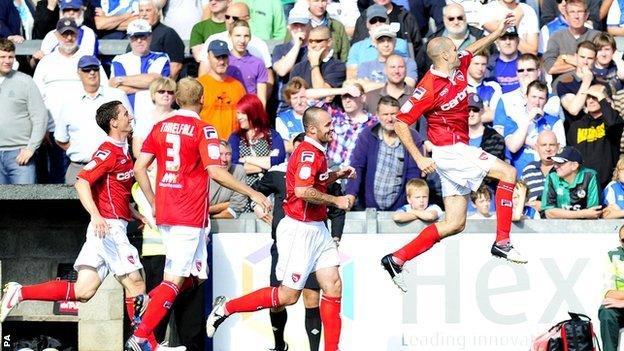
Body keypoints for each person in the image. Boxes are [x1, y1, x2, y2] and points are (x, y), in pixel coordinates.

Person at [380, 14, 527, 294]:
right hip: (450, 151)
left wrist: (498, 31)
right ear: (446, 55)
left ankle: (397, 259)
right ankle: (503, 242)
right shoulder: (428, 87)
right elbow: (400, 122)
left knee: (455, 223)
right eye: (455, 50)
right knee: (508, 173)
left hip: (457, 151)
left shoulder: (459, 66)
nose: (461, 52)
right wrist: (420, 158)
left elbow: (475, 47)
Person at [125, 77, 271, 351]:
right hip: (188, 214)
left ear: (178, 100)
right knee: (176, 278)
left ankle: (149, 301)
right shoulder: (204, 129)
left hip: (167, 212)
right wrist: (252, 193)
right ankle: (141, 336)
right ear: (202, 101)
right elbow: (216, 171)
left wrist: (154, 201)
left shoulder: (159, 126)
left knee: (195, 276)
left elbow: (140, 167)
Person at [205, 107, 357, 351]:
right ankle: (225, 308)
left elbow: (312, 182)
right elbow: (302, 191)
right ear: (312, 129)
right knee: (287, 296)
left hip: (318, 228)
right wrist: (336, 201)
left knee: (333, 284)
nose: (332, 128)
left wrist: (336, 175)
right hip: (299, 230)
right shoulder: (308, 153)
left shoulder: (317, 151)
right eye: (328, 125)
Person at [0, 101, 151, 344]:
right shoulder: (108, 151)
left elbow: (112, 190)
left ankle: (20, 292)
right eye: (124, 113)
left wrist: (132, 211)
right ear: (114, 122)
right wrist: (96, 215)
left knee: (84, 291)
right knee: (136, 284)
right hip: (108, 229)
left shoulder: (124, 150)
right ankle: (147, 345)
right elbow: (82, 182)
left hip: (112, 224)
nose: (129, 116)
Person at [251, 132, 346, 351]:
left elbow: (337, 210)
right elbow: (256, 192)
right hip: (284, 241)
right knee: (280, 298)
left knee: (312, 297)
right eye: (299, 148)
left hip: (313, 241)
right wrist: (257, 205)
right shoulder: (277, 172)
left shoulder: (323, 174)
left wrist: (335, 237)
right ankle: (278, 344)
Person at [55, 55, 131, 184]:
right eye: (86, 69)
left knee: (116, 204)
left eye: (95, 68)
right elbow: (60, 138)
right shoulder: (69, 101)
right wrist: (81, 151)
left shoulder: (117, 95)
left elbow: (131, 128)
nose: (91, 73)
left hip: (113, 168)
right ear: (78, 72)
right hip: (80, 167)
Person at [346, 96, 423, 211]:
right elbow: (357, 166)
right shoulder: (367, 135)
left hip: (402, 208)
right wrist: (350, 195)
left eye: (393, 114)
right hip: (369, 206)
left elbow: (413, 174)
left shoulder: (413, 137)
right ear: (377, 115)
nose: (390, 119)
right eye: (385, 114)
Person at [0, 38, 47, 184]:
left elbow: (40, 116)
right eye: (2, 57)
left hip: (19, 155)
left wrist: (31, 148)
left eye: (11, 57)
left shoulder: (25, 81)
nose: (7, 61)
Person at [110, 18, 170, 121]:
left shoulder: (161, 58)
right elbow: (118, 90)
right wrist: (151, 87)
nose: (139, 40)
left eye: (143, 36)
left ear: (150, 37)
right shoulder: (119, 60)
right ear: (129, 38)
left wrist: (120, 79)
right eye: (134, 37)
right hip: (128, 117)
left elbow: (155, 80)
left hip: (155, 117)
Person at [567, 84, 624, 188]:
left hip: (608, 184)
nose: (590, 101)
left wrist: (602, 98)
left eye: (595, 97)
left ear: (605, 100)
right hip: (582, 184)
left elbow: (612, 123)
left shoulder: (614, 120)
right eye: (588, 97)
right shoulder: (576, 126)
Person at [228, 94, 286, 191]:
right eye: (238, 113)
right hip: (243, 191)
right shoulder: (235, 138)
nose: (239, 117)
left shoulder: (273, 136)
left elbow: (278, 161)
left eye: (243, 113)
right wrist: (264, 166)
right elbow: (234, 165)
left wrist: (247, 159)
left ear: (254, 112)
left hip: (269, 190)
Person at [417, 3, 484, 79]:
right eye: (451, 19)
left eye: (460, 18)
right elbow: (422, 70)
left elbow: (492, 62)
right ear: (444, 19)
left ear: (465, 17)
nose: (456, 22)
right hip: (444, 87)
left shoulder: (479, 37)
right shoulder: (433, 42)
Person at [197, 39, 246, 140]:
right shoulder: (198, 85)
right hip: (207, 143)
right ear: (208, 57)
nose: (221, 61)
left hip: (233, 144)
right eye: (217, 57)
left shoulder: (238, 86)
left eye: (224, 57)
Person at [541, 146, 602, 219]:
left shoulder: (590, 176)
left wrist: (560, 213)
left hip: (585, 227)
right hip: (559, 227)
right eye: (555, 162)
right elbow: (549, 212)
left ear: (574, 166)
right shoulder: (552, 177)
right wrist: (583, 213)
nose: (555, 166)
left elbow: (594, 212)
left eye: (560, 163)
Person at [543, 0, 601, 77]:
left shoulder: (597, 36)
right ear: (566, 16)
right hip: (562, 84)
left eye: (580, 12)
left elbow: (602, 62)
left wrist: (565, 59)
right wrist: (587, 62)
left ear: (586, 15)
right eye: (572, 12)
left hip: (592, 83)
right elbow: (550, 68)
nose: (576, 16)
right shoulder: (556, 37)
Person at [135, 0, 185, 80]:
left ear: (157, 12)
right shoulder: (135, 35)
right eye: (141, 11)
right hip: (136, 83)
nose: (144, 14)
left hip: (159, 87)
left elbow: (176, 67)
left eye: (148, 10)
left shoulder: (168, 33)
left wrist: (161, 87)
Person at [225, 20, 269, 106]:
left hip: (249, 111)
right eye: (238, 36)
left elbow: (262, 99)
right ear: (230, 36)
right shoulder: (223, 61)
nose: (242, 40)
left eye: (246, 36)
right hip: (227, 109)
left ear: (250, 38)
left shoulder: (258, 63)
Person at [131, 77, 176, 158]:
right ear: (153, 95)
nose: (166, 94)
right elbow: (137, 150)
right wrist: (151, 167)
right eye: (161, 91)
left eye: (170, 92)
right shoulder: (143, 118)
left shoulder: (179, 116)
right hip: (147, 167)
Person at [597, 224, 624, 351]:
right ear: (620, 241)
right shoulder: (612, 256)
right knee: (606, 311)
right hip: (619, 307)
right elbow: (609, 294)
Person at [520, 130, 559, 211]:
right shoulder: (528, 170)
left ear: (558, 147)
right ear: (537, 147)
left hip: (560, 220)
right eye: (543, 145)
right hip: (532, 220)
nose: (548, 149)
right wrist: (529, 205)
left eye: (551, 145)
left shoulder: (565, 169)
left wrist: (544, 206)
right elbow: (518, 199)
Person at [209, 140, 248, 219]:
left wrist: (209, 216)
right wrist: (226, 205)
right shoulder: (202, 172)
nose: (224, 159)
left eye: (228, 154)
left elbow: (235, 209)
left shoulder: (238, 171)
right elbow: (194, 208)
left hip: (226, 224)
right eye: (220, 154)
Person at [467, 93, 506, 162]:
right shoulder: (456, 137)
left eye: (475, 110)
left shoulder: (495, 138)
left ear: (482, 111)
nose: (471, 114)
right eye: (467, 110)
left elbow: (495, 167)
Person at [467, 50, 502, 123]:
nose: (480, 68)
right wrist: (485, 110)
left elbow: (496, 114)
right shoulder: (458, 87)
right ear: (467, 64)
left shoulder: (493, 86)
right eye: (476, 64)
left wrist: (469, 119)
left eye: (483, 64)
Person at [275, 77, 308, 153]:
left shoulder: (316, 114)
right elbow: (285, 147)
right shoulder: (282, 119)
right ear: (289, 100)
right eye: (295, 98)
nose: (299, 102)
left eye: (302, 97)